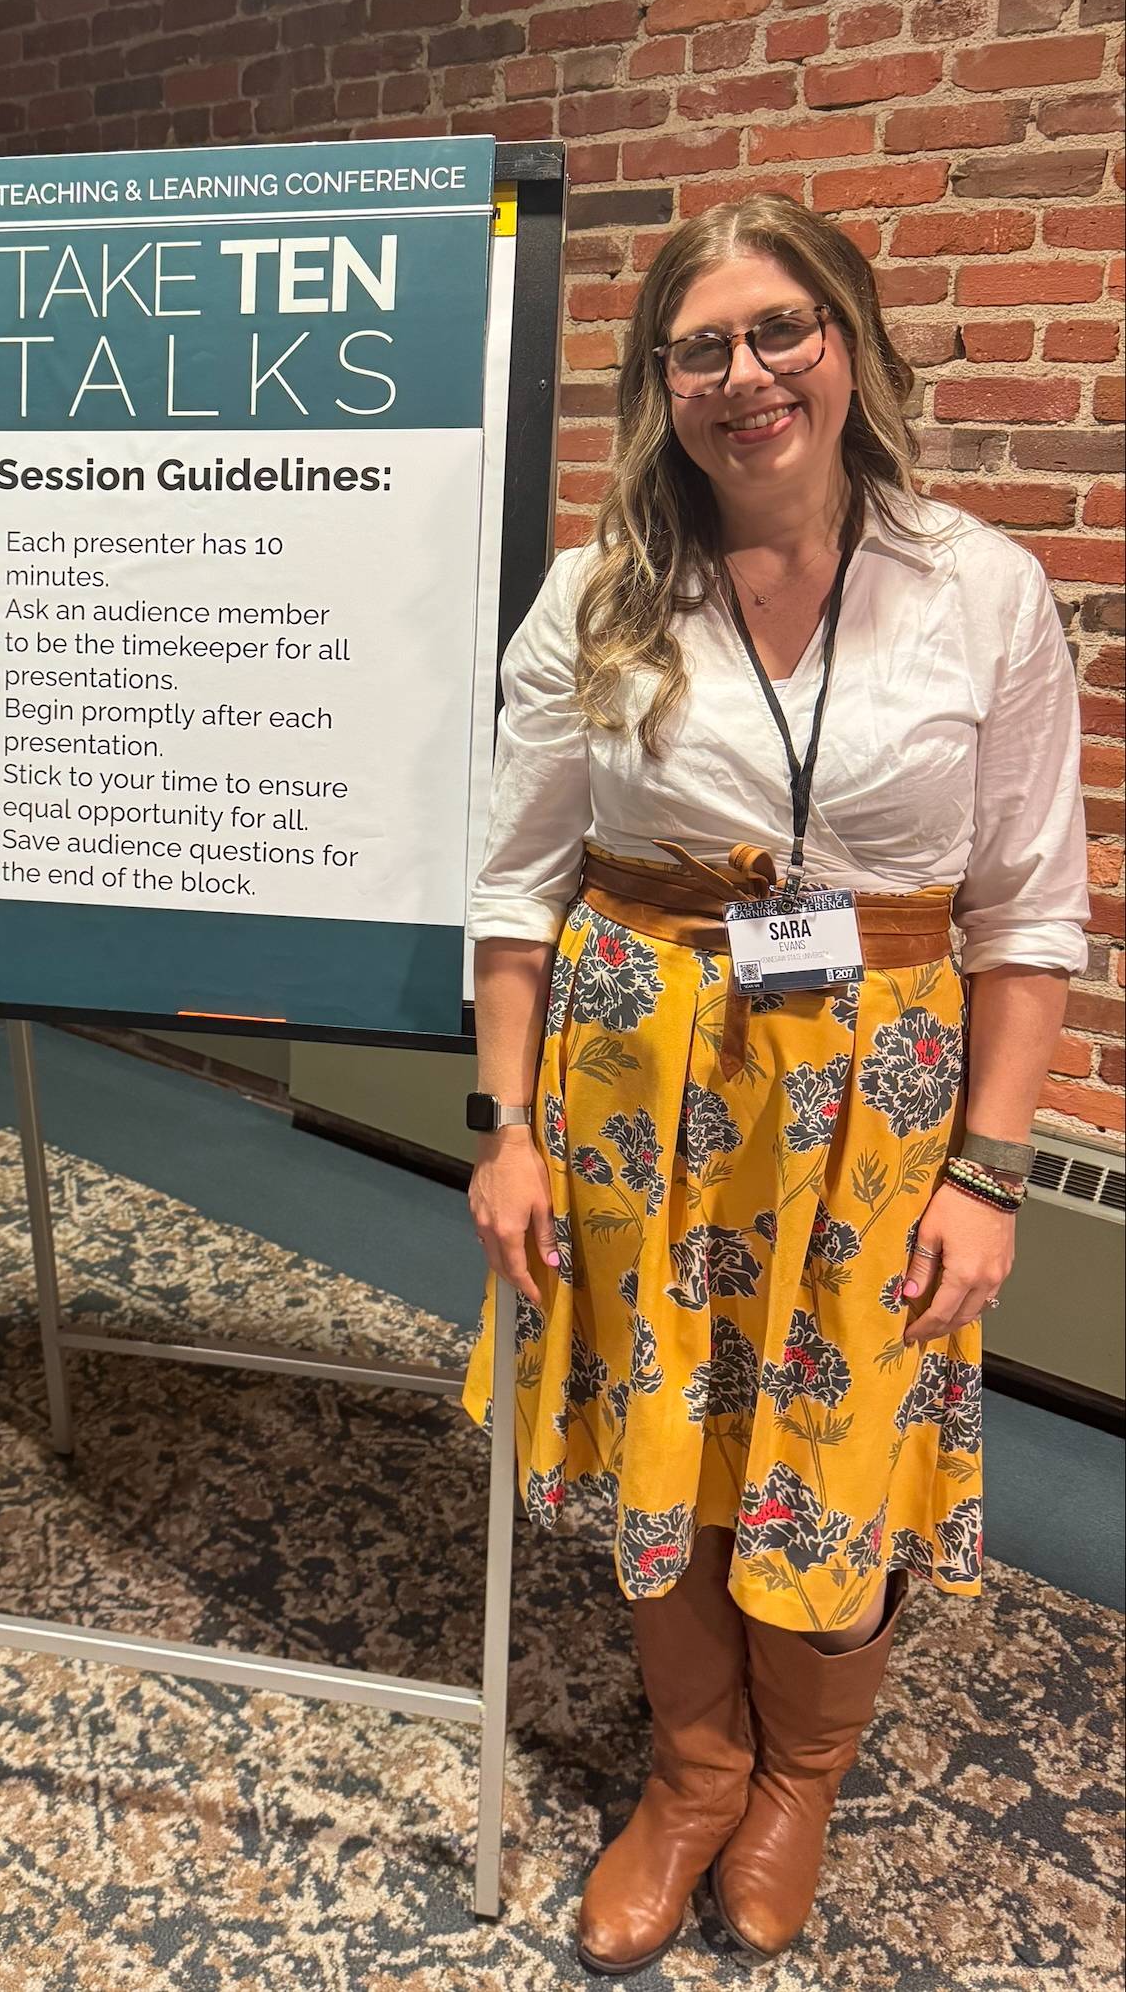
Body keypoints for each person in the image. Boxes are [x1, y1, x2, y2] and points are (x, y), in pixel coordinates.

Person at [459, 196, 1088, 1974]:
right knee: (667, 1435)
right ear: (660, 385)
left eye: (781, 331)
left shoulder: (980, 588)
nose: (746, 377)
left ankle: (801, 1774)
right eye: (702, 347)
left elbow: (1032, 911)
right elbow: (516, 886)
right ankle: (693, 1770)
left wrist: (989, 1171)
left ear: (851, 343)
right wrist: (501, 1130)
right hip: (632, 1091)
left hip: (882, 1104)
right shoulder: (599, 594)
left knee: (842, 1443)